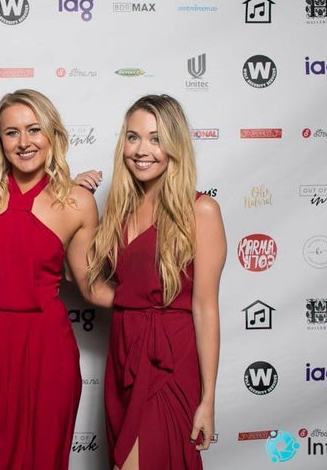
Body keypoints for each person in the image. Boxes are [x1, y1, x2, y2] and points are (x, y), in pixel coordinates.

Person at [0, 89, 113, 469]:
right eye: (12, 132)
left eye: (34, 129)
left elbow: (90, 286)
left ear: (53, 136)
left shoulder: (77, 202)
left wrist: (155, 301)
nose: (24, 142)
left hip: (46, 352)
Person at [87, 94, 226, 470]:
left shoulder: (201, 211)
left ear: (175, 146)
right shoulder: (119, 210)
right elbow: (84, 281)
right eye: (133, 137)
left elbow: (205, 308)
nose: (141, 149)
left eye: (155, 138)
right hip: (123, 353)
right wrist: (73, 197)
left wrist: (208, 399)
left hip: (168, 360)